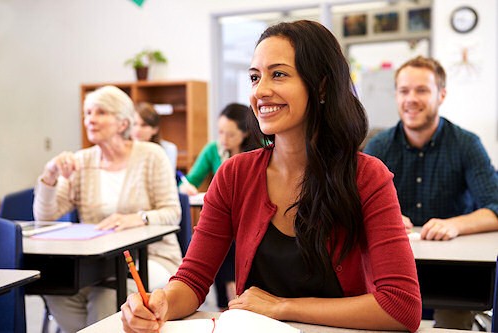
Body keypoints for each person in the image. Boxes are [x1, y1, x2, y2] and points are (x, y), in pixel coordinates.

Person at [121, 20, 421, 333]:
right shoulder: (234, 174)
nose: (260, 91)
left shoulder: (367, 176)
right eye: (254, 77)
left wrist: (281, 307)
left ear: (320, 85)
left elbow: (400, 305)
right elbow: (193, 281)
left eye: (278, 74)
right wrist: (162, 303)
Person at [33, 85, 182, 333]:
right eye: (88, 112)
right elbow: (44, 217)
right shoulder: (81, 161)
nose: (90, 119)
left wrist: (137, 218)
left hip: (150, 258)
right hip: (95, 264)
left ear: (123, 122)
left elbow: (172, 212)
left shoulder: (151, 155)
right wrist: (50, 175)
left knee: (108, 297)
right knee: (58, 291)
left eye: (100, 112)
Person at [363, 56, 498, 329]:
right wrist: (382, 220)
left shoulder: (467, 144)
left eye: (422, 90)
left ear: (442, 94)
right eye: (404, 91)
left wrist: (454, 225)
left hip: (454, 273)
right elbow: (350, 206)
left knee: (451, 323)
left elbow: (495, 207)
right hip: (391, 266)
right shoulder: (378, 146)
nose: (411, 99)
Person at [179, 102, 258, 310]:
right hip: (226, 219)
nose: (223, 139)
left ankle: (234, 300)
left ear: (246, 133)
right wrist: (186, 187)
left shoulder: (262, 149)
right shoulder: (213, 150)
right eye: (220, 132)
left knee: (233, 239)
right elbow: (189, 181)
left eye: (230, 134)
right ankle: (231, 302)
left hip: (251, 220)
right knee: (221, 239)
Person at [131, 102, 178, 172]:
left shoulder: (168, 149)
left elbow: (167, 178)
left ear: (155, 129)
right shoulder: (123, 149)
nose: (138, 129)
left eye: (144, 125)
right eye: (134, 124)